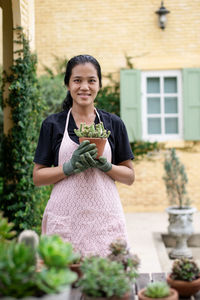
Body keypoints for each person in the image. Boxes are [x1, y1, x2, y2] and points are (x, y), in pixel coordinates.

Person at [33, 54, 135, 257]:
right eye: (77, 80)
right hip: (65, 218)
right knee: (64, 281)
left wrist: (107, 166)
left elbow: (129, 176)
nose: (84, 87)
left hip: (104, 219)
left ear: (99, 84)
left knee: (106, 282)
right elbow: (38, 177)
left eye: (91, 80)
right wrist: (68, 168)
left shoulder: (114, 124)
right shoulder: (53, 125)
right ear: (68, 84)